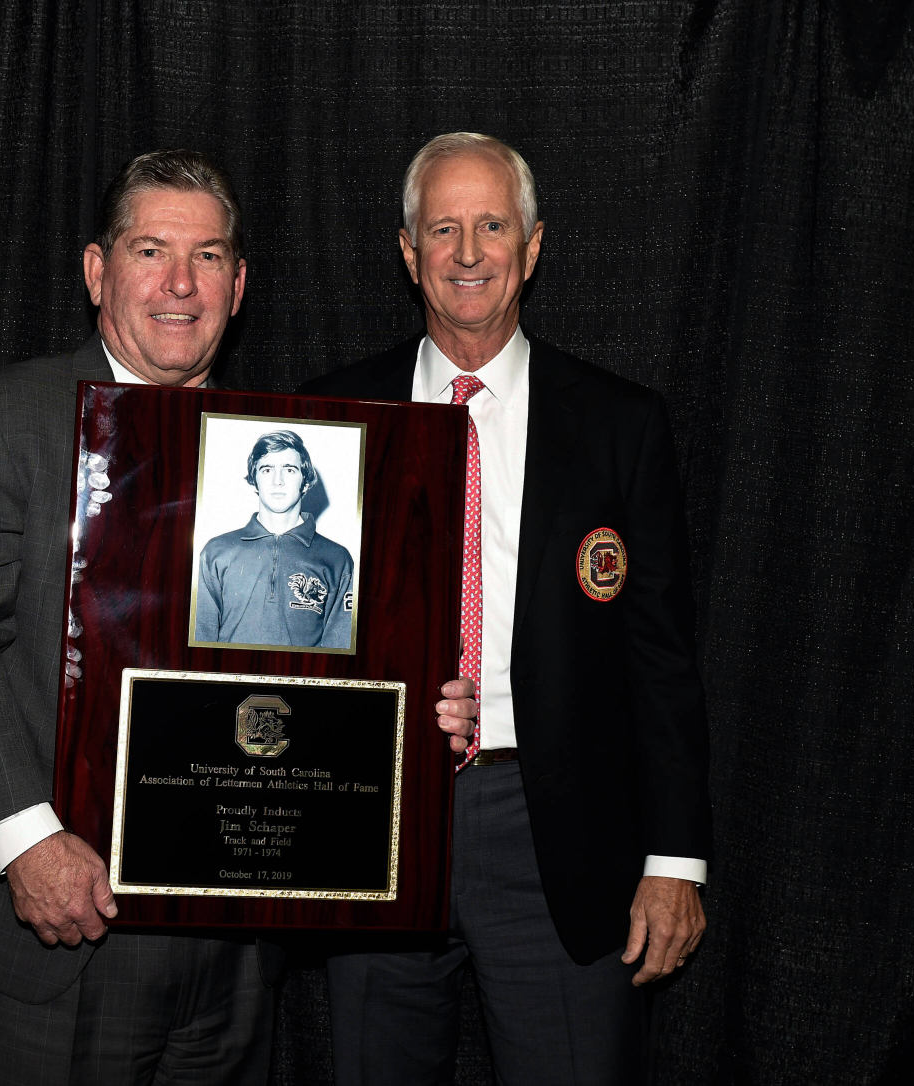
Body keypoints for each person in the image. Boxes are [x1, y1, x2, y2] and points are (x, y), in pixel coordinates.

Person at [0, 150, 275, 1086]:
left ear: (238, 286)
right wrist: (25, 842)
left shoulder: (284, 452)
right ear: (96, 270)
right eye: (150, 250)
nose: (179, 283)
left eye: (207, 257)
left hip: (232, 944)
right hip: (49, 927)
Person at [299, 132, 712, 1084]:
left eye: (492, 226)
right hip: (375, 822)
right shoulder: (328, 413)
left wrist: (677, 861)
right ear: (409, 253)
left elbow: (662, 659)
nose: (468, 252)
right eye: (443, 229)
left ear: (533, 246)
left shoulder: (619, 423)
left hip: (553, 832)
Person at [195, 429, 354, 649]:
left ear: (305, 482)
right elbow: (200, 643)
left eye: (289, 470)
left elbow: (339, 650)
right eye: (267, 469)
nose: (277, 481)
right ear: (254, 481)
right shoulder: (216, 552)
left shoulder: (337, 558)